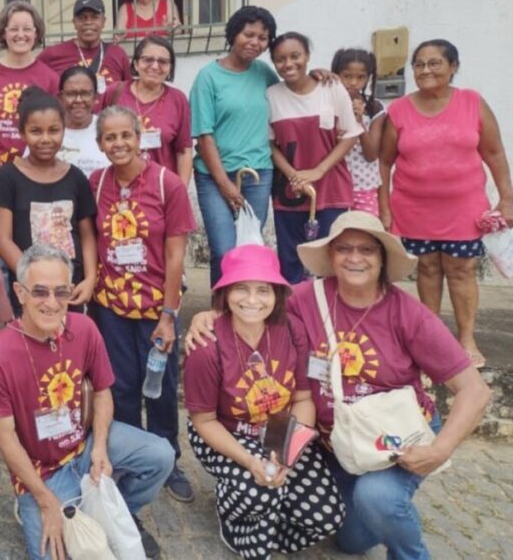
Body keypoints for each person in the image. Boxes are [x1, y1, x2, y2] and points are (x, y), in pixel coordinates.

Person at [185, 211, 492, 560]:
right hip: (335, 441)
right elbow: (252, 301)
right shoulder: (305, 298)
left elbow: (475, 390)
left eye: (367, 249)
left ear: (383, 258)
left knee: (376, 499)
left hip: (392, 437)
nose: (355, 258)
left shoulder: (409, 313)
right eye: (344, 248)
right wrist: (207, 317)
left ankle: (409, 550)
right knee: (349, 536)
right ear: (330, 256)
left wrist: (440, 451)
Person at [0, 243, 174, 560]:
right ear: (20, 292)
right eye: (39, 292)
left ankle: (116, 507)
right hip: (42, 473)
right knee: (53, 554)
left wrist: (99, 447)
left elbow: (105, 390)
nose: (52, 303)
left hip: (85, 444)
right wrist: (44, 499)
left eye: (61, 292)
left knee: (161, 455)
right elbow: (5, 438)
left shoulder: (84, 328)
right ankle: (41, 505)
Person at [184, 244, 342, 558]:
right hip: (227, 432)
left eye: (263, 290)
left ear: (278, 294)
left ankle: (270, 523)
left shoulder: (292, 330)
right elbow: (204, 420)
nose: (253, 300)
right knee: (260, 493)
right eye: (241, 289)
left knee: (326, 516)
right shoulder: (206, 345)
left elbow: (303, 398)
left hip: (280, 430)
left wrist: (285, 452)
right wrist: (250, 461)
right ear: (226, 293)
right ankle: (236, 519)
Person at [380, 39, 513, 369]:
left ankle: (466, 337)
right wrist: (384, 208)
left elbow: (494, 153)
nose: (425, 70)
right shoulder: (399, 110)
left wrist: (507, 198)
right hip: (414, 207)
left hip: (464, 208)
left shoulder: (472, 103)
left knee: (462, 269)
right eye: (419, 64)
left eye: (435, 62)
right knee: (427, 268)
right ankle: (432, 336)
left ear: (453, 66)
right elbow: (383, 163)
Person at [90, 106, 197, 503]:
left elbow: (174, 257)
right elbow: (90, 242)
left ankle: (168, 456)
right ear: (100, 145)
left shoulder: (168, 185)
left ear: (139, 137)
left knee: (162, 388)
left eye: (125, 136)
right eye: (109, 138)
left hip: (156, 310)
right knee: (121, 387)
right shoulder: (96, 184)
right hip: (111, 308)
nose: (118, 144)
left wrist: (168, 317)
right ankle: (130, 456)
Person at [0, 88, 98, 316]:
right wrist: (36, 281)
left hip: (70, 287)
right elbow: (3, 240)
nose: (46, 139)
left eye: (54, 130)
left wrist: (89, 278)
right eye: (36, 131)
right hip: (30, 290)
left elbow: (87, 234)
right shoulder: (7, 177)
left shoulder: (76, 177)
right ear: (22, 133)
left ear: (63, 131)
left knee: (70, 345)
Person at [190, 6, 279, 287]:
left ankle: (239, 309)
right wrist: (224, 184)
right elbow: (204, 135)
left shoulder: (265, 73)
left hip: (258, 175)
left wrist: (319, 76)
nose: (255, 42)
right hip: (214, 177)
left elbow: (291, 93)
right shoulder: (208, 77)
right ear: (233, 34)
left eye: (263, 38)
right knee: (224, 250)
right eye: (248, 34)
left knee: (247, 247)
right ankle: (219, 311)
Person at [267, 32, 361, 283]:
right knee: (291, 259)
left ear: (307, 56)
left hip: (332, 189)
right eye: (280, 59)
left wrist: (319, 170)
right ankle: (295, 317)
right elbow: (269, 145)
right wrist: (293, 175)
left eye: (295, 56)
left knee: (333, 258)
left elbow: (351, 135)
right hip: (290, 192)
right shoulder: (271, 95)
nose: (288, 64)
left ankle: (330, 317)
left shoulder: (332, 88)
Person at [0, 0, 60, 161]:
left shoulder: (51, 78)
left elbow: (57, 126)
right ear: (3, 34)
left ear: (36, 33)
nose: (20, 35)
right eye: (13, 29)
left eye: (27, 29)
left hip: (36, 165)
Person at [102, 35, 192, 185]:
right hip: (118, 185)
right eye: (148, 60)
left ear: (170, 68)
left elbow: (183, 151)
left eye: (163, 62)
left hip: (162, 188)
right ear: (136, 64)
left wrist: (180, 190)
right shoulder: (115, 92)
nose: (155, 66)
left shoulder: (178, 99)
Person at [38, 0, 131, 94]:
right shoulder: (53, 54)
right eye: (82, 18)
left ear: (103, 22)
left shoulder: (117, 54)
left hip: (109, 109)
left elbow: (129, 92)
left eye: (94, 17)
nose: (88, 22)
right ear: (74, 22)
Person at [332, 48, 386, 217]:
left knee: (365, 232)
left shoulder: (374, 108)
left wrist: (359, 122)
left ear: (368, 78)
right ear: (336, 75)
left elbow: (371, 155)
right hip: (333, 185)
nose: (353, 82)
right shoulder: (327, 105)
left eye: (360, 77)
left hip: (364, 185)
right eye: (347, 76)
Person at [55, 66, 108, 176]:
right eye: (70, 94)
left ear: (95, 97)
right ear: (60, 97)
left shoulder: (107, 128)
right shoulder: (48, 130)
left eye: (85, 93)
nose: (78, 100)